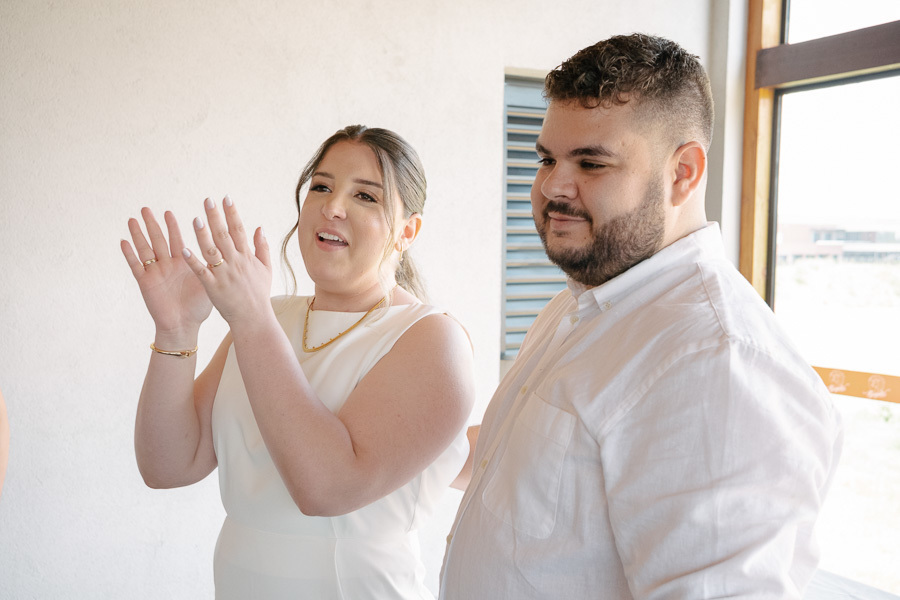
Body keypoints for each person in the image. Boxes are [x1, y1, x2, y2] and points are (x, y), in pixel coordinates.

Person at [440, 34, 843, 599]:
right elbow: (523, 467)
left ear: (683, 173)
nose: (553, 185)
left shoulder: (714, 361)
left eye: (591, 162)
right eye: (547, 158)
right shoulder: (583, 302)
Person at [121, 125, 475, 599]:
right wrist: (177, 329)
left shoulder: (431, 339)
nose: (332, 206)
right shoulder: (270, 318)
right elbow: (167, 466)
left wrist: (250, 318)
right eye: (322, 187)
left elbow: (326, 489)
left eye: (365, 196)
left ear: (407, 231)